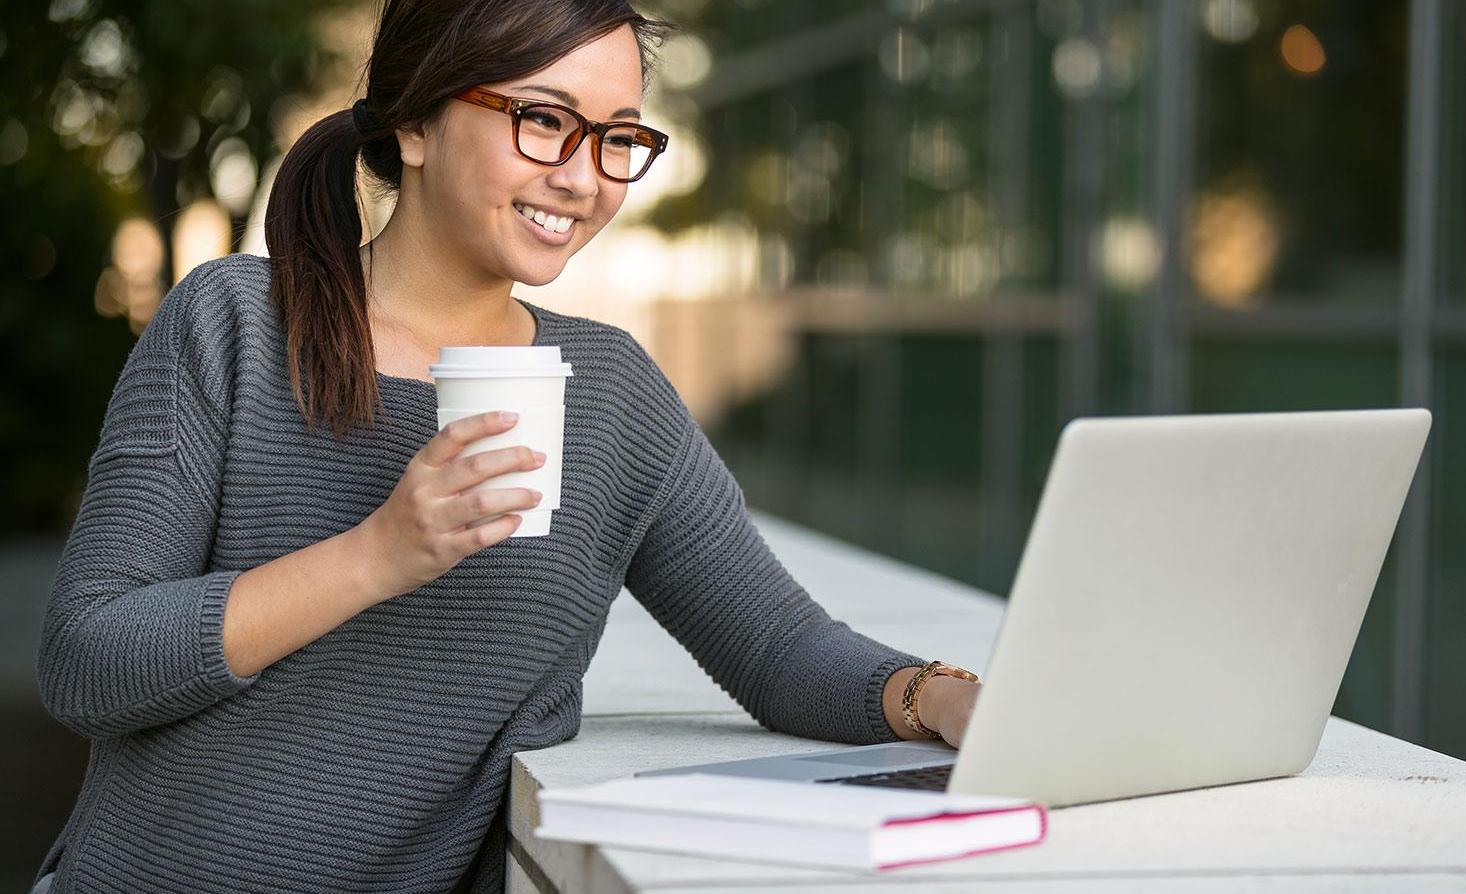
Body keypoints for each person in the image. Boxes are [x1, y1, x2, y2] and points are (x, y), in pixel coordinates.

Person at [31, 1, 980, 891]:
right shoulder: (231, 323)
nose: (583, 174)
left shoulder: (611, 394)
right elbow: (87, 658)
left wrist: (938, 696)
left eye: (618, 137)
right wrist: (377, 555)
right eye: (542, 119)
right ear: (413, 124)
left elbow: (779, 647)